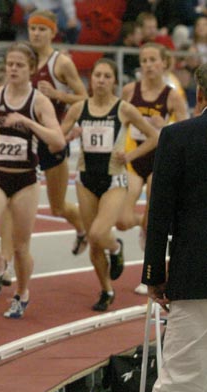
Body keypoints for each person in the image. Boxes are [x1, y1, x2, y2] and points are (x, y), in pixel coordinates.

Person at [143, 62, 207, 392]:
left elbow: (159, 213)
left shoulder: (178, 137)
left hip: (195, 275)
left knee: (183, 382)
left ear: (200, 94)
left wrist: (154, 273)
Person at [0, 42, 65, 319]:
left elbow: (58, 140)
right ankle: (1, 266)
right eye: (10, 64)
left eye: (19, 65)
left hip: (25, 180)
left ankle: (22, 293)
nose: (13, 69)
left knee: (21, 245)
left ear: (30, 70)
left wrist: (29, 124)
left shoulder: (38, 101)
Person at [60, 58, 158, 312]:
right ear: (90, 79)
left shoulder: (123, 109)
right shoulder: (79, 108)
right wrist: (68, 136)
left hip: (114, 179)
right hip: (85, 179)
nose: (101, 80)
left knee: (96, 233)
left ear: (114, 81)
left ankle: (115, 247)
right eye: (97, 76)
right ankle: (106, 289)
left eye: (106, 76)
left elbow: (154, 137)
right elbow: (57, 138)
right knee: (94, 244)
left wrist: (130, 156)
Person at [116, 43, 188, 295]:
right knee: (122, 221)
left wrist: (165, 123)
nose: (147, 65)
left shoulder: (171, 95)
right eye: (144, 60)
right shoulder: (129, 90)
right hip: (134, 158)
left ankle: (147, 272)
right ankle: (143, 225)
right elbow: (117, 119)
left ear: (163, 63)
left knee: (151, 214)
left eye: (152, 60)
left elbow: (186, 128)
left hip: (160, 161)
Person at [27, 10, 87, 256]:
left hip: (52, 140)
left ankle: (84, 229)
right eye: (33, 28)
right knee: (11, 201)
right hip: (25, 140)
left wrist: (58, 95)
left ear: (53, 32)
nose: (37, 33)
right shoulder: (24, 59)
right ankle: (7, 262)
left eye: (42, 29)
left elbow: (84, 98)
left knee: (58, 207)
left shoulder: (60, 62)